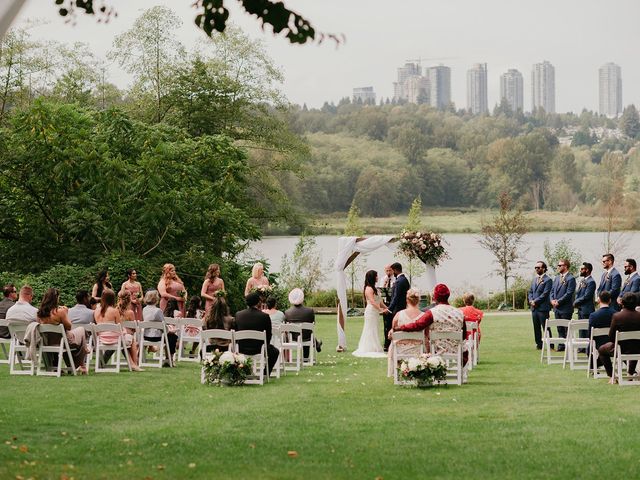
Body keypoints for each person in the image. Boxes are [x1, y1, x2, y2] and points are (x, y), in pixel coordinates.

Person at [392, 283, 467, 360]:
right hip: (457, 353)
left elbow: (417, 325)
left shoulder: (432, 313)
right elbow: (464, 335)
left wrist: (401, 327)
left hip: (437, 353)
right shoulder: (460, 313)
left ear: (435, 297)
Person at [37, 288, 88, 374]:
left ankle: (76, 363)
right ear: (56, 298)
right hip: (64, 342)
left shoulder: (40, 313)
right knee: (82, 330)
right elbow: (69, 327)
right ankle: (82, 363)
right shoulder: (60, 312)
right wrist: (66, 312)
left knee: (79, 336)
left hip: (48, 342)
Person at [94, 289, 141, 371]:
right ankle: (134, 364)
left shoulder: (96, 311)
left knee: (123, 340)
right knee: (129, 339)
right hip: (115, 340)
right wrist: (126, 333)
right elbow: (120, 328)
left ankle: (102, 363)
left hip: (101, 339)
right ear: (112, 299)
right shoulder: (114, 311)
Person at [597, 292, 640, 382]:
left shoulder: (617, 316)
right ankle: (630, 374)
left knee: (601, 349)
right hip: (638, 348)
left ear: (622, 303)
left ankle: (612, 376)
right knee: (634, 344)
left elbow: (611, 337)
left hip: (621, 349)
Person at [235, 291, 279, 375]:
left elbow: (236, 331)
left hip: (241, 348)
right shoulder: (265, 316)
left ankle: (242, 371)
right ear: (258, 302)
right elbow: (268, 336)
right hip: (259, 348)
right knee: (275, 352)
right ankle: (265, 373)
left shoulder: (238, 315)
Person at [387, 288, 424, 377]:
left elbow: (393, 332)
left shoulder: (399, 315)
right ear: (419, 300)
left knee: (392, 340)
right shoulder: (423, 316)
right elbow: (426, 335)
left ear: (407, 300)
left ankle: (397, 370)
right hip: (418, 349)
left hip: (400, 350)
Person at [352, 271, 388, 358]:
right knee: (370, 329)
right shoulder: (369, 288)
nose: (377, 277)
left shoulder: (374, 288)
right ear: (372, 277)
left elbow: (380, 301)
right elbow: (372, 301)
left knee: (375, 329)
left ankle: (374, 346)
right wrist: (380, 309)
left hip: (375, 312)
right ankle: (369, 348)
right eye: (376, 276)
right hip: (371, 312)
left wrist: (386, 308)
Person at [284, 288, 322, 358]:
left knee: (305, 332)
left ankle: (316, 343)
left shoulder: (287, 312)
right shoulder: (309, 311)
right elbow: (312, 324)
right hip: (306, 337)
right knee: (307, 332)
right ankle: (307, 355)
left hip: (293, 337)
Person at [142, 290, 177, 365]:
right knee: (172, 336)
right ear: (156, 299)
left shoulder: (144, 309)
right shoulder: (158, 311)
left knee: (170, 336)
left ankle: (154, 349)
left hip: (145, 336)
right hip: (156, 337)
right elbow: (163, 326)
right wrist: (170, 331)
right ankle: (169, 359)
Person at [550, 258, 576, 352]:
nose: (558, 267)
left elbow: (569, 293)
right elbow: (552, 291)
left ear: (565, 266)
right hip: (556, 308)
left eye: (560, 265)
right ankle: (561, 346)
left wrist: (559, 301)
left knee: (566, 328)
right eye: (558, 265)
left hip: (565, 308)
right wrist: (552, 300)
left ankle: (567, 345)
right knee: (559, 327)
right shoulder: (556, 278)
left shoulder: (571, 278)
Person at [527, 261, 552, 350]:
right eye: (535, 268)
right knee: (536, 327)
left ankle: (550, 344)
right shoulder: (534, 279)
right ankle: (539, 344)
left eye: (538, 267)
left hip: (543, 308)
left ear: (544, 268)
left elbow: (545, 294)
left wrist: (536, 301)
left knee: (546, 327)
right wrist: (530, 300)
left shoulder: (548, 280)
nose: (536, 269)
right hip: (534, 308)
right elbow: (530, 291)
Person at [386, 262, 410, 352]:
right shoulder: (404, 279)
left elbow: (396, 297)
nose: (392, 273)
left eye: (392, 270)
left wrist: (389, 309)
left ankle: (397, 346)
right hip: (402, 307)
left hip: (398, 309)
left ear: (395, 270)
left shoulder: (400, 281)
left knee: (397, 328)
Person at [116, 291, 141, 369]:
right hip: (126, 337)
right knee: (133, 339)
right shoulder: (130, 313)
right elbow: (134, 328)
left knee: (131, 339)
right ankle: (134, 364)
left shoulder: (115, 311)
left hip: (118, 335)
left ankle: (134, 364)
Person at [379, 264, 395, 353]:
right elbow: (381, 292)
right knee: (386, 325)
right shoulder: (383, 279)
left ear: (393, 270)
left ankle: (393, 342)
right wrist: (384, 285)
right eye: (387, 271)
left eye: (390, 270)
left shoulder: (395, 279)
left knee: (393, 324)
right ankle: (386, 344)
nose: (388, 272)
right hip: (386, 303)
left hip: (393, 303)